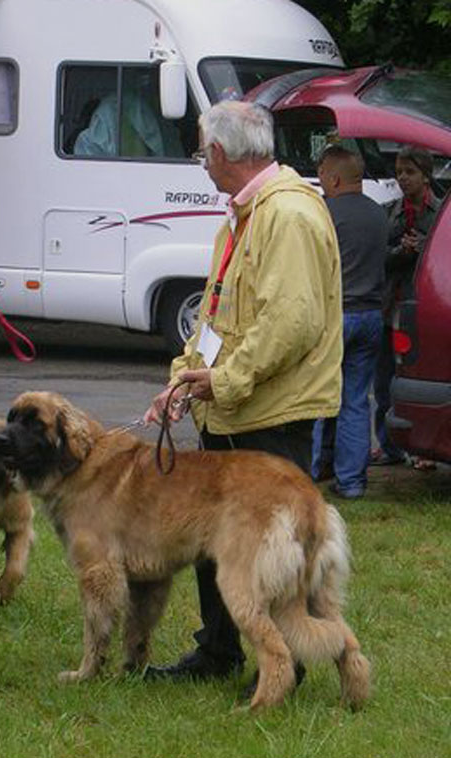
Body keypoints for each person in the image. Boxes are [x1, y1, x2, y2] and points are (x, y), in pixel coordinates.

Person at [142, 101, 342, 687]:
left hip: (270, 416)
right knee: (217, 543)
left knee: (273, 554)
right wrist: (184, 376)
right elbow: (217, 313)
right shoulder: (243, 215)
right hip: (231, 411)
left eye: (203, 151)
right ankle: (218, 652)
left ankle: (289, 662)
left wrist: (223, 380)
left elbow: (291, 321)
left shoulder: (289, 216)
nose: (202, 163)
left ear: (221, 153)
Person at [311, 146, 388, 499]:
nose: (321, 181)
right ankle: (352, 482)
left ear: (335, 178)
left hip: (335, 315)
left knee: (315, 397)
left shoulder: (323, 213)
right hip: (372, 314)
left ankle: (308, 473)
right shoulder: (379, 214)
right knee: (356, 399)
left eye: (323, 174)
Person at [372, 146, 441, 469]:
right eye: (399, 172)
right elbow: (377, 257)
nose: (403, 178)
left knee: (419, 380)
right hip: (390, 309)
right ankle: (388, 446)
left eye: (410, 172)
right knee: (383, 382)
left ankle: (423, 450)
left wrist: (426, 248)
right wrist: (401, 250)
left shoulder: (440, 214)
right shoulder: (389, 212)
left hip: (421, 312)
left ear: (426, 175)